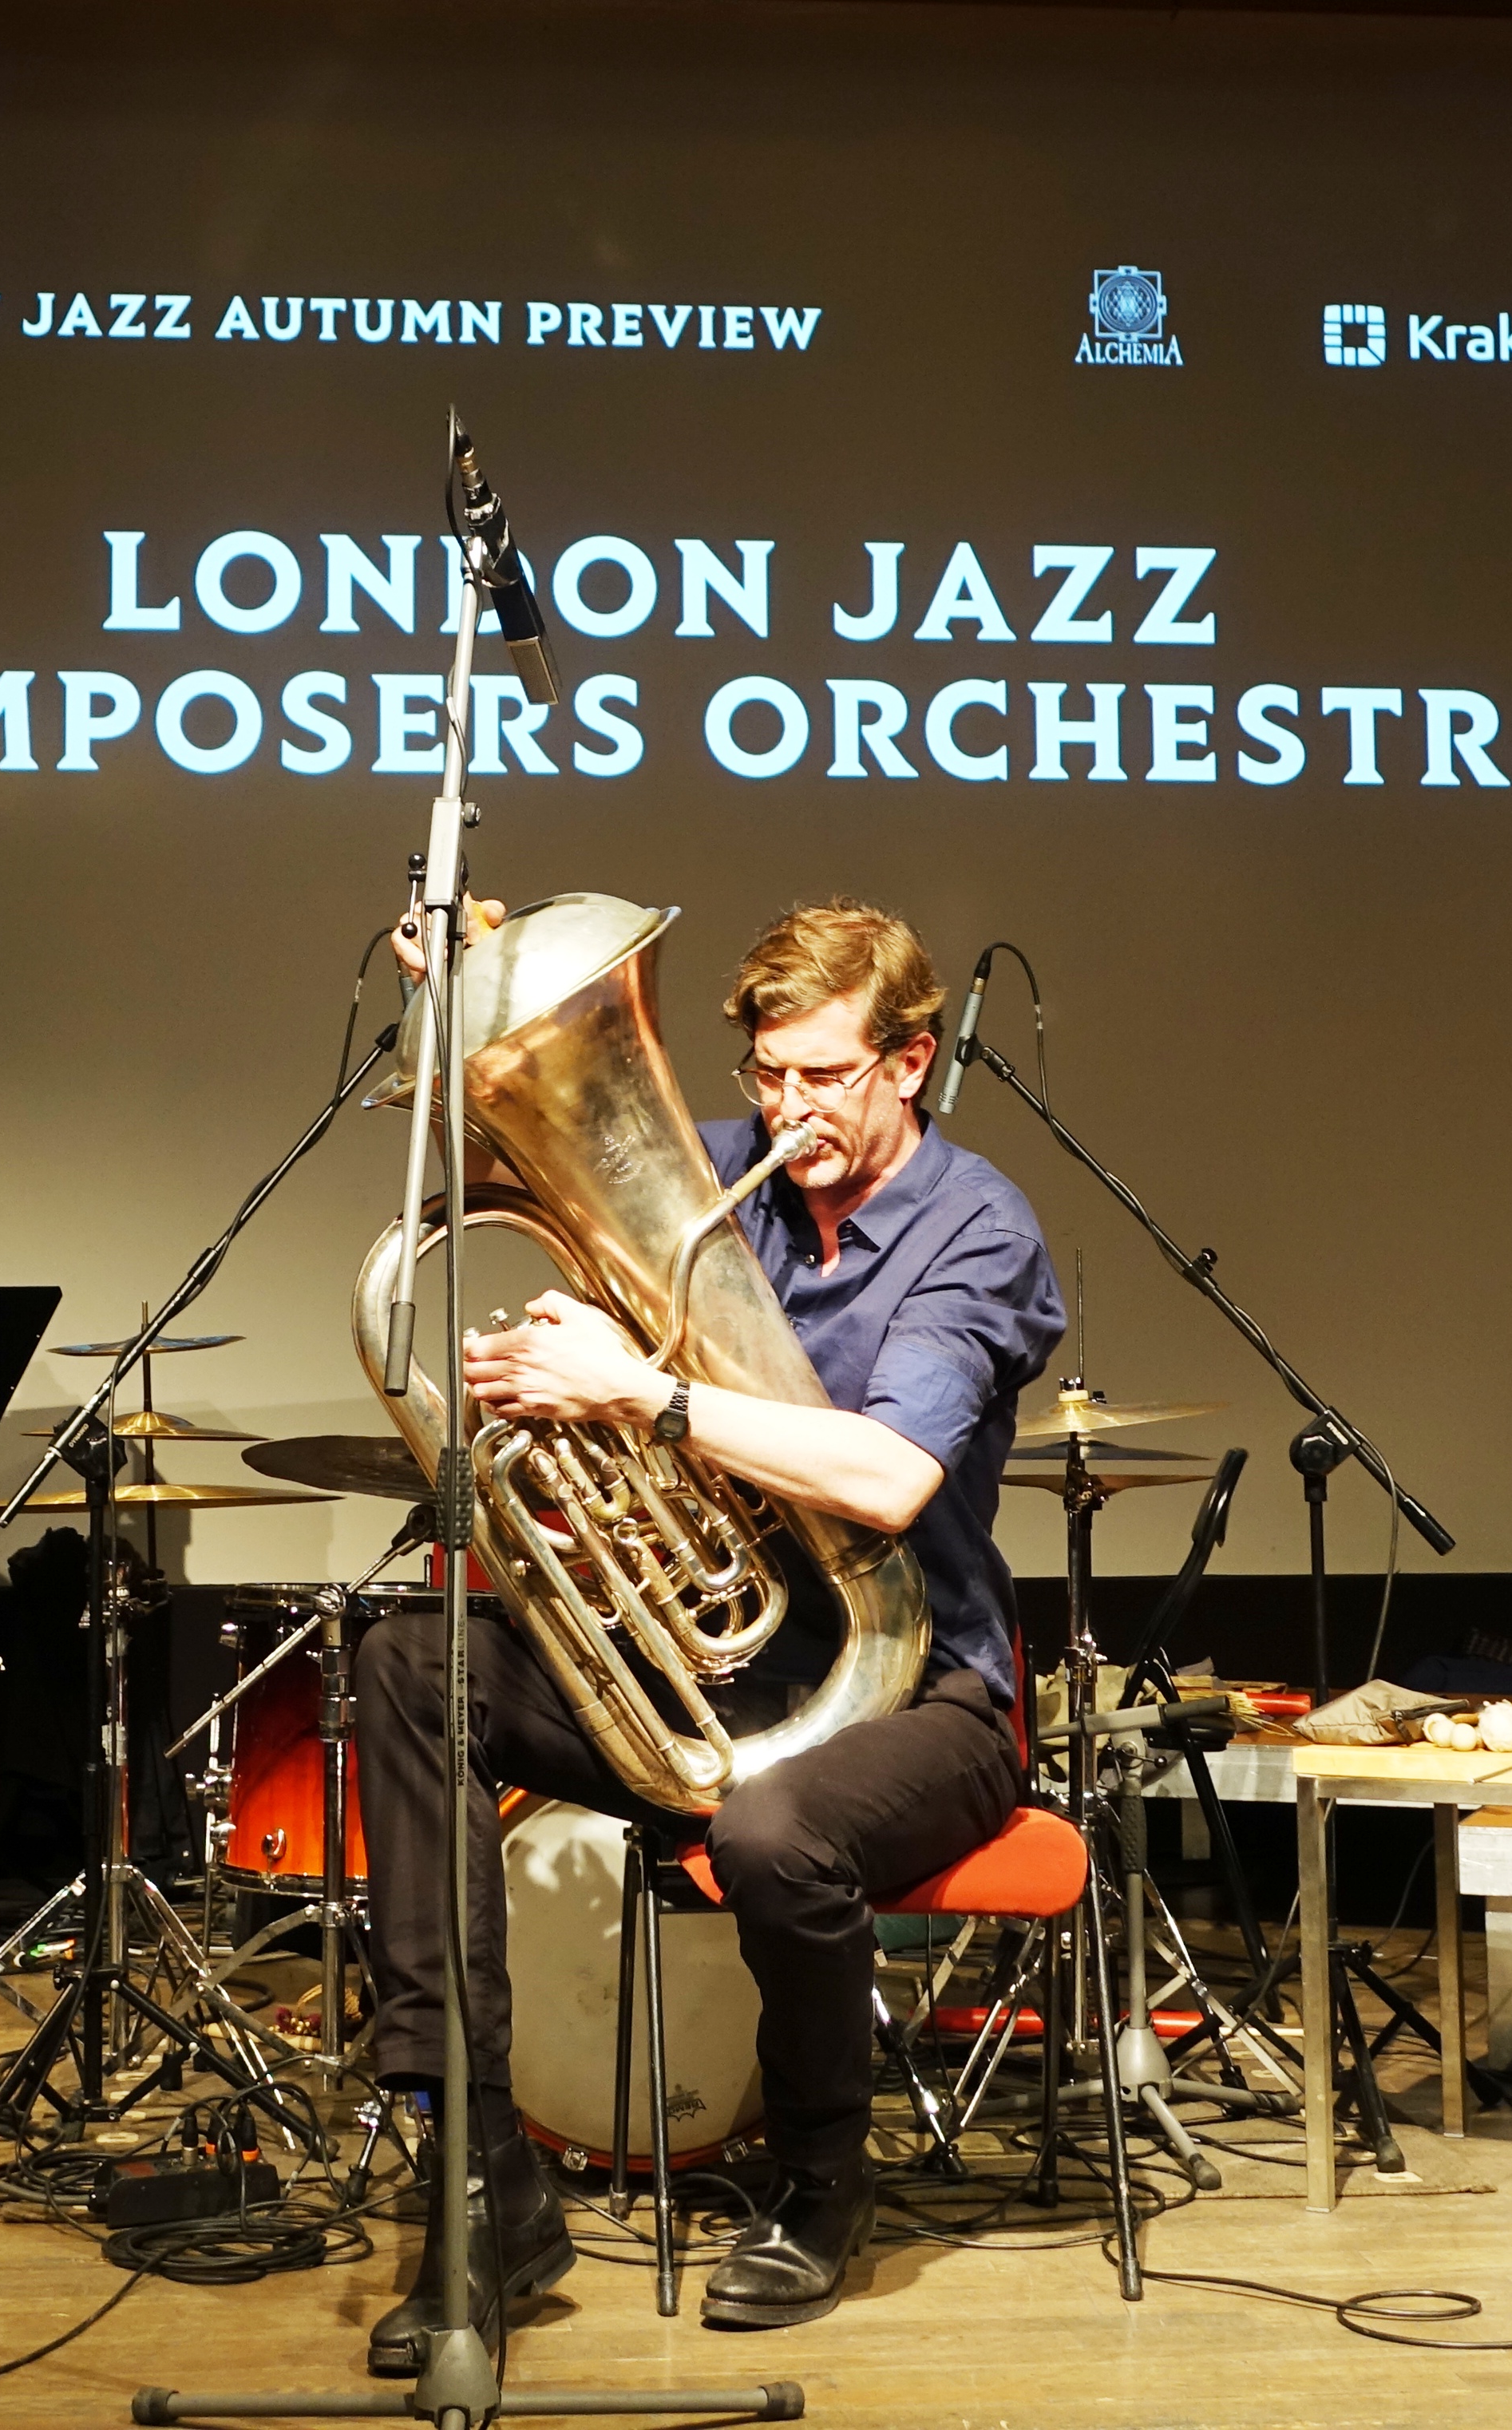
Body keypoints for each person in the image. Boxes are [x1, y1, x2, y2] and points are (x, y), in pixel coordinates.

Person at [359, 896, 1061, 2361]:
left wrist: (646, 1398)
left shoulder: (975, 1227)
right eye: (767, 1076)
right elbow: (489, 1158)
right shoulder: (724, 1174)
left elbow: (886, 1474)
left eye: (825, 1075)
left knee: (770, 1837)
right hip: (723, 1673)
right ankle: (480, 2179)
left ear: (911, 1060)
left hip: (920, 1690)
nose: (787, 1109)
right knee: (409, 1661)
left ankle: (821, 2190)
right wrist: (463, 1001)